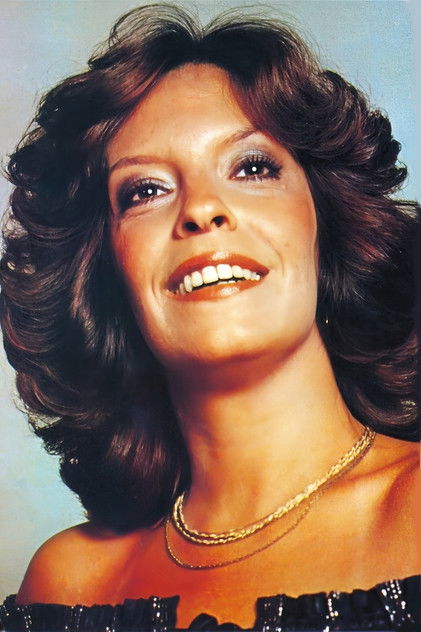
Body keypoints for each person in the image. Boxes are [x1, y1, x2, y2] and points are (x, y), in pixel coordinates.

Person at [0, 4, 419, 631]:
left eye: (252, 167)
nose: (202, 209)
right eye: (145, 190)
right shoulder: (70, 582)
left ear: (324, 223)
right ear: (106, 271)